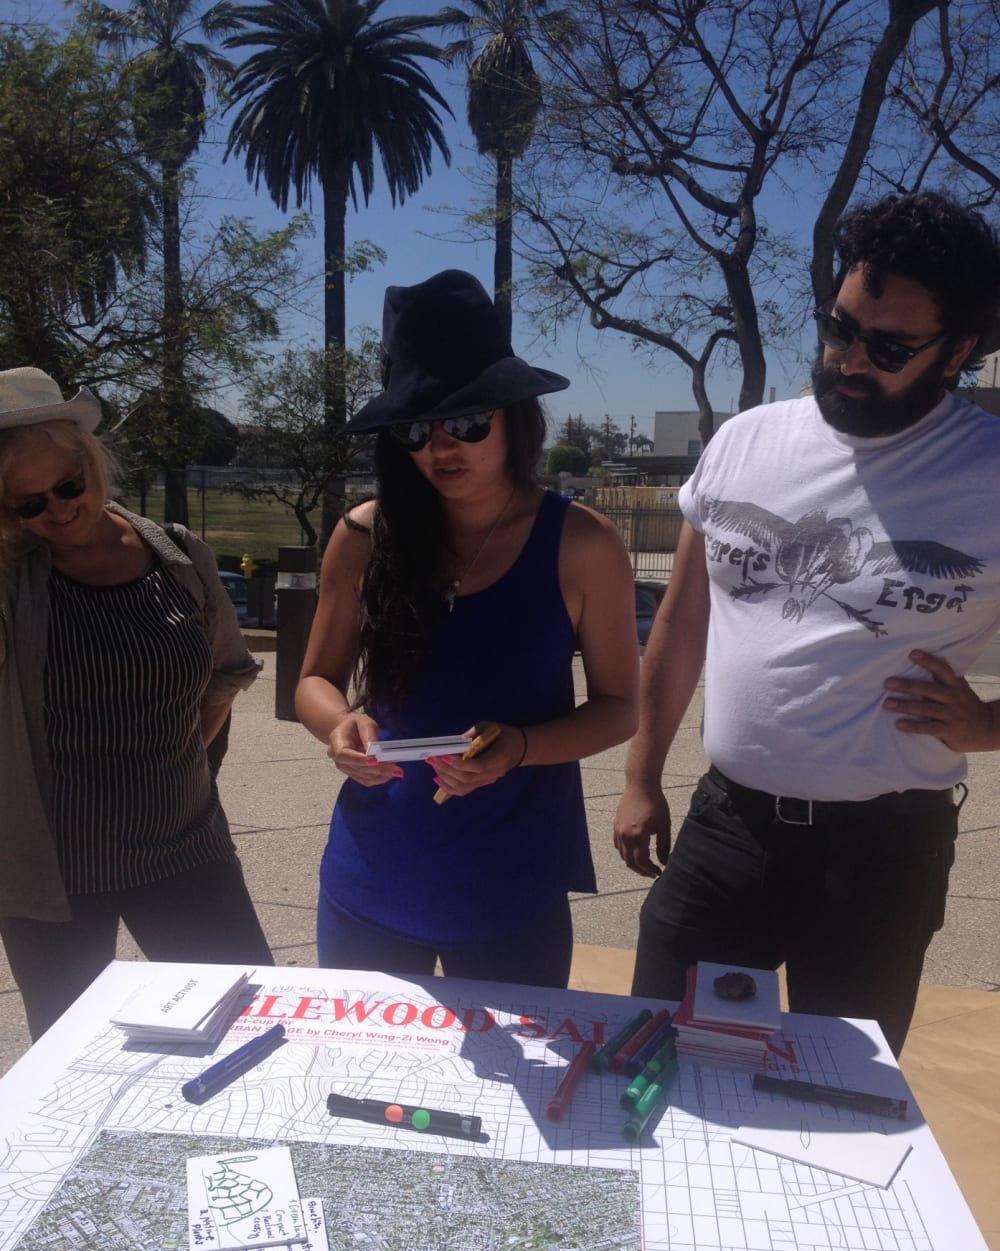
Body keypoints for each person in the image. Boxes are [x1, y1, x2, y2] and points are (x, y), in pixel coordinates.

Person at [613, 191, 1000, 1057]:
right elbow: (681, 619)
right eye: (839, 329)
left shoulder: (989, 475)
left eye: (889, 346)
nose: (849, 359)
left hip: (882, 854)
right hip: (728, 828)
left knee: (839, 1099)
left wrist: (988, 725)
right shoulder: (745, 442)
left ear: (959, 352)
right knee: (653, 1058)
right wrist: (640, 774)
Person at [296, 269, 639, 986]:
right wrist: (340, 724)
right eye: (416, 427)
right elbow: (314, 681)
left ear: (514, 416)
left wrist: (519, 746)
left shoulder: (582, 542)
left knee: (521, 1103)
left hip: (512, 887)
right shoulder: (364, 536)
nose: (440, 447)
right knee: (367, 1089)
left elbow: (618, 708)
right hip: (373, 876)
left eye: (467, 421)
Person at [0, 367, 274, 1039]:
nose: (58, 510)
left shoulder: (179, 556)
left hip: (185, 849)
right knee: (74, 1067)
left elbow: (223, 677)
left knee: (253, 1029)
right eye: (29, 504)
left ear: (93, 463)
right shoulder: (11, 580)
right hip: (54, 875)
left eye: (69, 486)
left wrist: (178, 767)